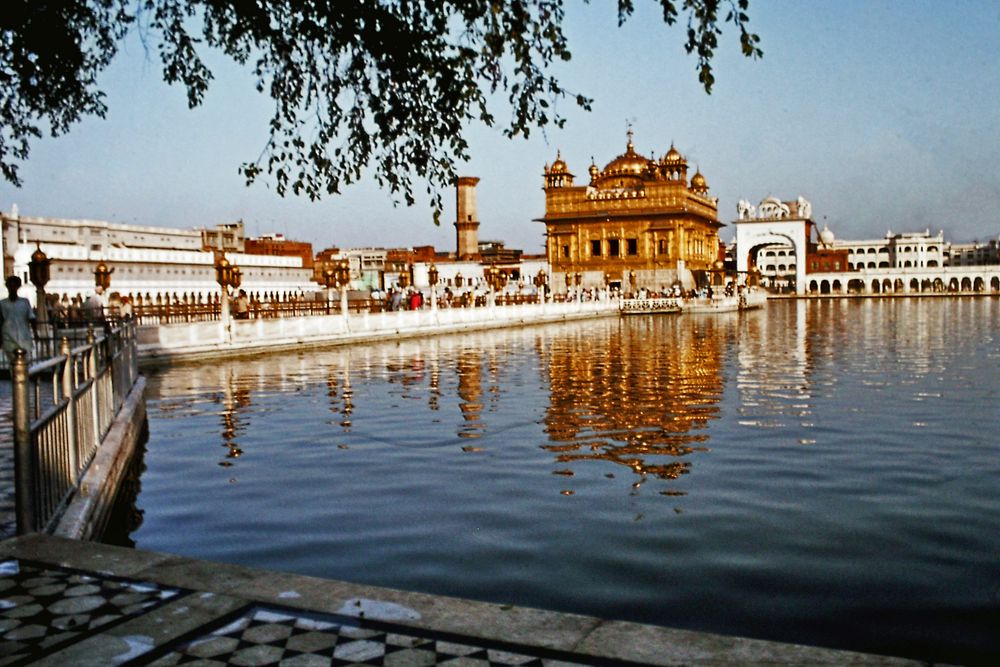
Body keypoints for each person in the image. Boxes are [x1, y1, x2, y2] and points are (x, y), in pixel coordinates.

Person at [0, 276, 36, 365]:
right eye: (10, 286)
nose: (12, 288)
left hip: (24, 337)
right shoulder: (2, 303)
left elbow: (31, 317)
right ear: (7, 287)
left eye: (14, 286)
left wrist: (35, 333)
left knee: (26, 363)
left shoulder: (24, 302)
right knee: (13, 364)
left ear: (18, 287)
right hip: (8, 337)